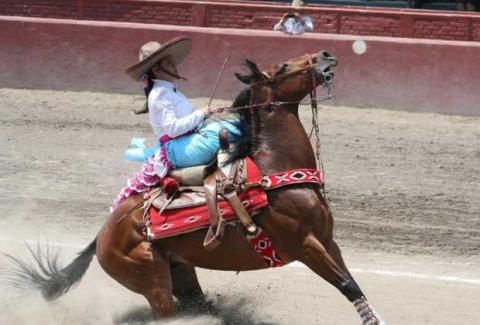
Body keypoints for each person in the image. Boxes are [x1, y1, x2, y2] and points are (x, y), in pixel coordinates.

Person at [111, 36, 241, 212]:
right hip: (175, 148)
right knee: (223, 131)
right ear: (156, 70)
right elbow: (173, 129)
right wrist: (200, 114)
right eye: (169, 63)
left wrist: (203, 116)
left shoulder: (169, 90)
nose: (175, 66)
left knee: (230, 125)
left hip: (184, 142)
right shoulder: (160, 94)